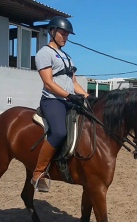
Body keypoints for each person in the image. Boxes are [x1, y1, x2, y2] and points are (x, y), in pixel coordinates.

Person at [31, 16, 94, 192]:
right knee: (59, 132)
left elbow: (73, 83)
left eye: (67, 35)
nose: (65, 37)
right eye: (63, 33)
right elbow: (48, 83)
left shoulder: (67, 57)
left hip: (68, 100)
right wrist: (68, 96)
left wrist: (87, 96)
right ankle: (39, 173)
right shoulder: (44, 53)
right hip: (52, 101)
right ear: (52, 32)